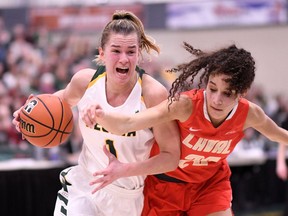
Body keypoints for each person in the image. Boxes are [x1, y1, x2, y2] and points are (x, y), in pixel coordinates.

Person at [82, 42, 288, 216]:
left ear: (242, 92)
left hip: (209, 184)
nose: (216, 99)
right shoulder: (185, 105)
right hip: (165, 185)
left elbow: (280, 135)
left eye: (227, 93)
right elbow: (129, 122)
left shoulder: (250, 114)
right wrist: (102, 115)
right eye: (212, 88)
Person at [12, 10, 180, 216]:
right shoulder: (86, 81)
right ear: (102, 53)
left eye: (131, 51)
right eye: (116, 51)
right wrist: (29, 110)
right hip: (84, 185)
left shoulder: (153, 94)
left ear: (139, 54)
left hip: (126, 198)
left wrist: (124, 170)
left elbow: (171, 157)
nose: (124, 59)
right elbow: (60, 100)